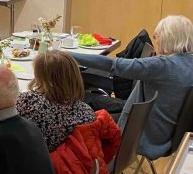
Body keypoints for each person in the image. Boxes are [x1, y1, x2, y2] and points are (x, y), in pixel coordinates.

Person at [75, 15, 193, 160]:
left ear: (169, 37)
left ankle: (89, 173)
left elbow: (113, 65)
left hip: (141, 134)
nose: (157, 41)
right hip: (166, 134)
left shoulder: (163, 66)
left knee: (77, 123)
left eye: (158, 37)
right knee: (93, 101)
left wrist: (65, 55)